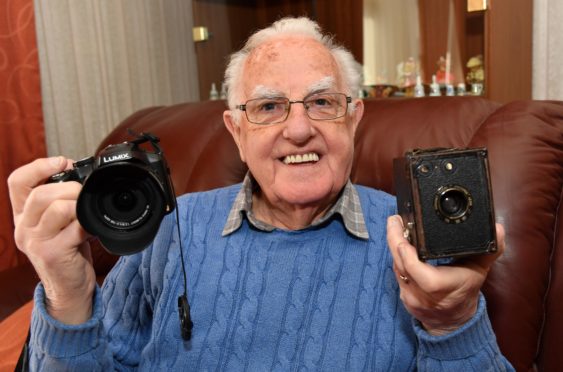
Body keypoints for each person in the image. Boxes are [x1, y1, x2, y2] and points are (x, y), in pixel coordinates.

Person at [8, 17, 514, 371]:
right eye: (268, 107)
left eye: (321, 102)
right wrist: (69, 295)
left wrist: (452, 322)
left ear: (354, 119)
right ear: (235, 131)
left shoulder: (416, 235)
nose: (298, 130)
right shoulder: (171, 226)